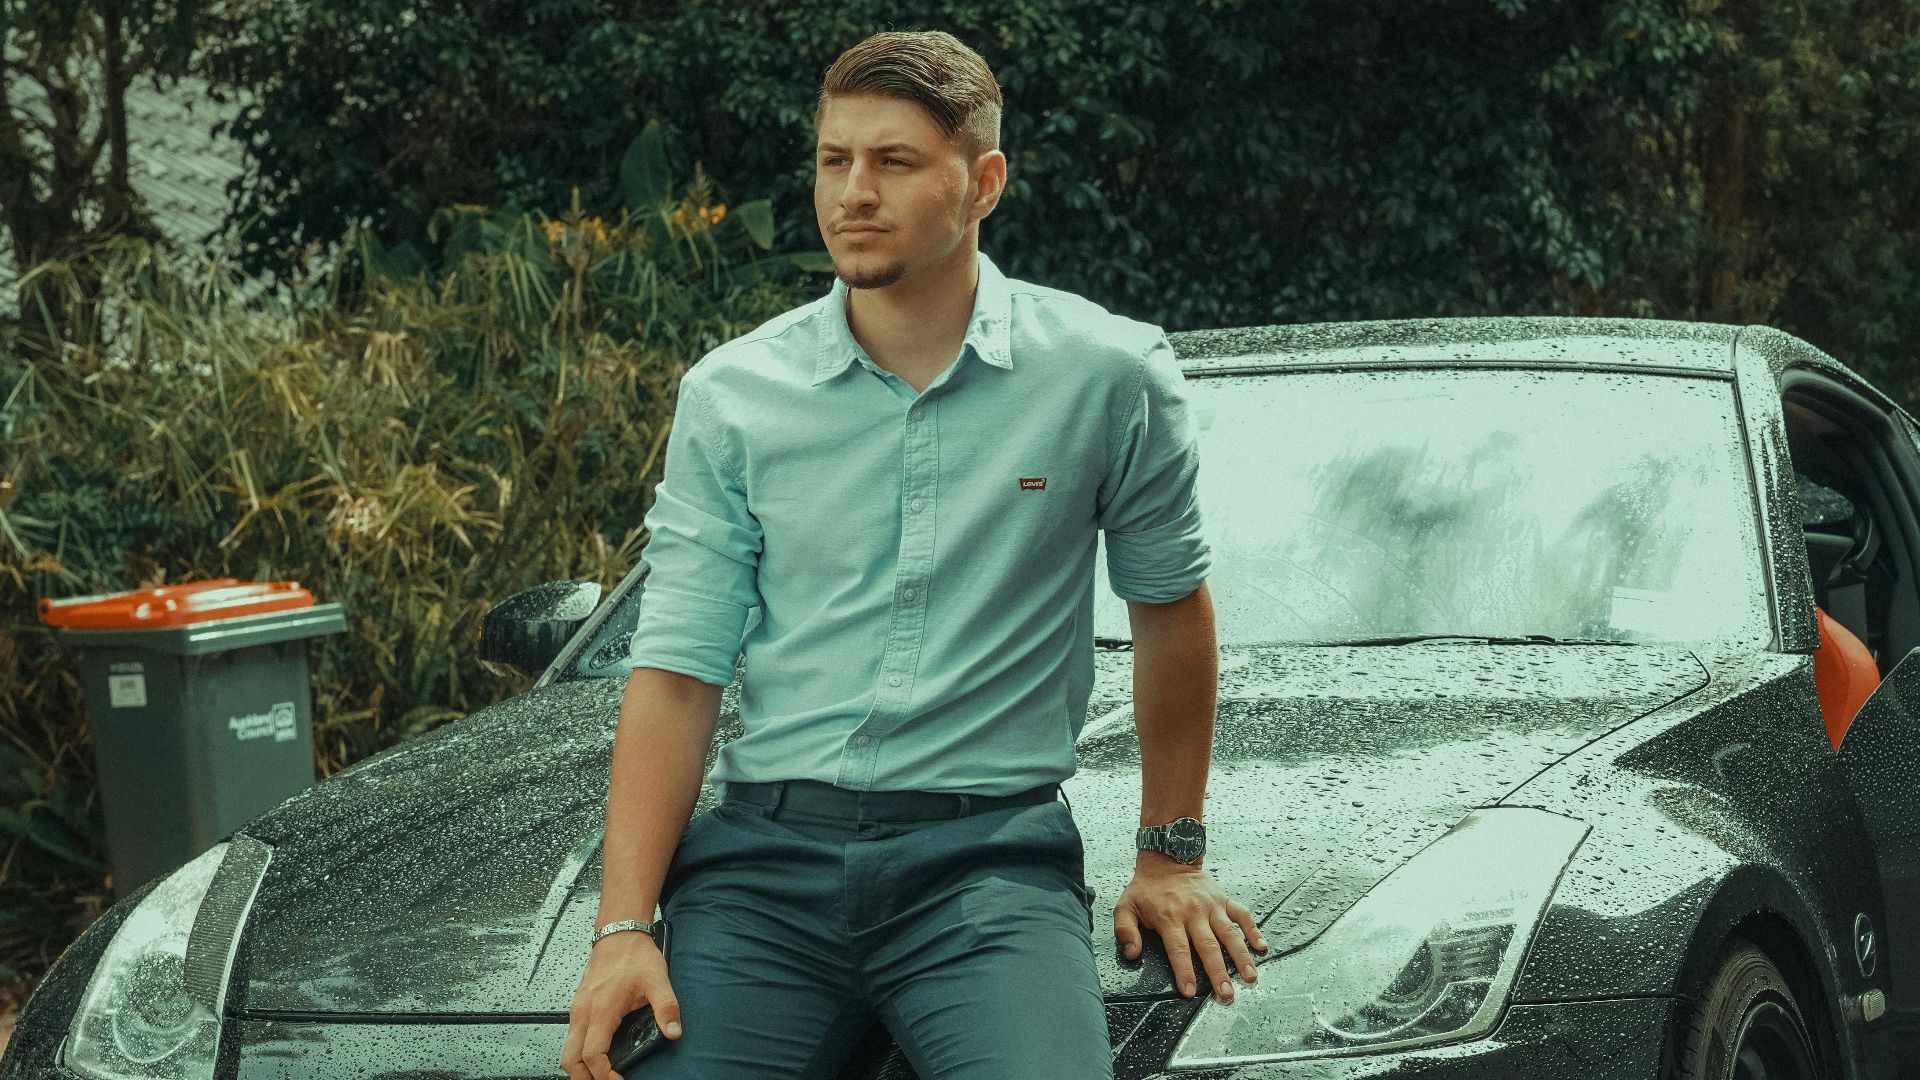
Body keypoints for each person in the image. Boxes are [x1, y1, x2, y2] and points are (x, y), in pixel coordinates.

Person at [559, 28, 1267, 1080]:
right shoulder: (734, 395)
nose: (853, 192)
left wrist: (1170, 854)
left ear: (983, 183)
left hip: (987, 871)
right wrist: (623, 928)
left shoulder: (1107, 375)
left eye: (893, 162)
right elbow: (677, 669)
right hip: (762, 873)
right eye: (833, 159)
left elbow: (1169, 608)